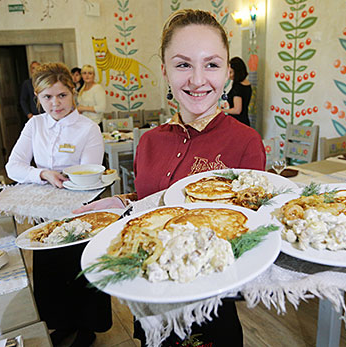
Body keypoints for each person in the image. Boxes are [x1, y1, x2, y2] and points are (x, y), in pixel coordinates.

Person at [74, 9, 265, 346]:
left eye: (211, 64)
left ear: (227, 72)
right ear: (164, 70)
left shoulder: (245, 143)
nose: (197, 79)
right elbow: (152, 199)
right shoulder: (148, 141)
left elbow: (250, 237)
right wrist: (121, 203)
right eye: (182, 64)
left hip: (209, 311)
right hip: (148, 297)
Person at [6, 63, 110, 347]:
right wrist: (41, 173)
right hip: (46, 215)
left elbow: (90, 173)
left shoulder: (88, 128)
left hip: (81, 212)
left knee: (80, 269)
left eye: (62, 95)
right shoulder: (35, 125)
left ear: (72, 92)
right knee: (51, 273)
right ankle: (62, 324)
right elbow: (13, 166)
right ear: (38, 97)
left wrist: (64, 179)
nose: (55, 104)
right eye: (47, 97)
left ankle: (88, 329)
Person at [223, 56, 252, 126]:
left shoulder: (238, 87)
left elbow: (237, 110)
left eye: (231, 72)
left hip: (237, 123)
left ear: (237, 72)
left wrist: (221, 110)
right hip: (244, 121)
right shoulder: (247, 84)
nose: (229, 75)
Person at [19, 60, 41, 127]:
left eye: (37, 68)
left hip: (46, 112)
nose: (36, 70)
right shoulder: (27, 83)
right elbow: (23, 100)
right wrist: (28, 113)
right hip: (34, 113)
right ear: (31, 70)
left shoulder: (44, 82)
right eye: (33, 68)